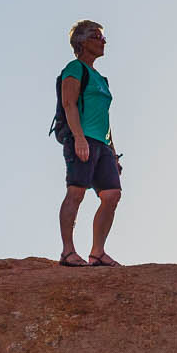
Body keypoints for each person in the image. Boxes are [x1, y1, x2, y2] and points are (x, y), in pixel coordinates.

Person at [55, 21, 121, 266]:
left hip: (102, 144)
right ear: (82, 43)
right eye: (96, 36)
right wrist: (79, 138)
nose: (103, 41)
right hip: (81, 139)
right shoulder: (74, 69)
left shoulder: (102, 79)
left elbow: (104, 117)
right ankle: (68, 251)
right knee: (76, 192)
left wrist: (113, 152)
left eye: (103, 36)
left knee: (112, 195)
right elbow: (69, 104)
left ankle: (97, 252)